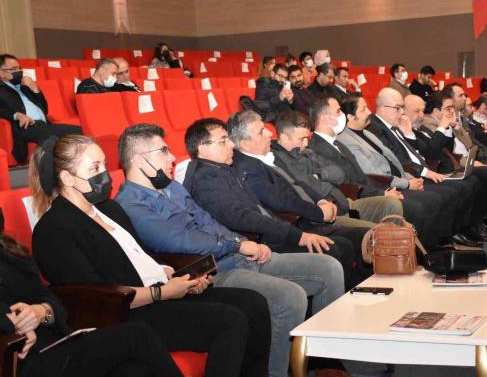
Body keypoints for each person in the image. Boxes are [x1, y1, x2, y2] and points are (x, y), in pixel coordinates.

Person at [30, 135, 272, 377]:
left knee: (254, 304)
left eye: (104, 164)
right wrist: (162, 292)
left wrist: (182, 278)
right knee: (230, 320)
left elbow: (144, 256)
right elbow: (93, 297)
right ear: (67, 178)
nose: (104, 174)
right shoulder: (54, 229)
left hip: (161, 292)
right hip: (129, 312)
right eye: (94, 168)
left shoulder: (108, 209)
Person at [113, 124, 344, 377]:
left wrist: (242, 242)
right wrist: (236, 244)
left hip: (236, 255)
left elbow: (207, 221)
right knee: (290, 297)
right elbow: (177, 240)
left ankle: (326, 363)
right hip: (212, 270)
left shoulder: (173, 188)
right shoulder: (130, 204)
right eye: (163, 151)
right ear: (139, 159)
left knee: (328, 267)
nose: (172, 158)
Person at [182, 117, 356, 290]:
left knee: (340, 247)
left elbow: (259, 209)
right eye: (223, 141)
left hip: (268, 236)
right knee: (332, 256)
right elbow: (241, 217)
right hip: (255, 245)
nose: (231, 145)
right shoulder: (205, 179)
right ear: (202, 148)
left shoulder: (222, 170)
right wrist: (298, 236)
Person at [0, 232, 184, 377]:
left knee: (135, 370)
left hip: (58, 341)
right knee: (138, 334)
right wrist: (17, 326)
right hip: (23, 361)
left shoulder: (9, 251)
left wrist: (41, 311)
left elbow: (49, 298)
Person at [228, 111, 369, 284]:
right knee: (344, 246)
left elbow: (299, 182)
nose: (269, 133)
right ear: (245, 143)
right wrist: (318, 212)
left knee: (366, 238)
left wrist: (321, 201)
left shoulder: (269, 155)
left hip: (313, 215)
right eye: (261, 132)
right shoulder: (246, 168)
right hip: (298, 224)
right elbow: (279, 201)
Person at [367, 88, 487, 243]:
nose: (402, 112)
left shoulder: (396, 125)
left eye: (402, 108)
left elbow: (417, 151)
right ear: (383, 108)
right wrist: (424, 171)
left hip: (423, 169)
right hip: (410, 175)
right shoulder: (376, 128)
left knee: (470, 182)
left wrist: (408, 134)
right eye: (398, 108)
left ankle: (465, 230)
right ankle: (446, 239)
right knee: (452, 191)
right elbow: (400, 158)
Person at [334, 94, 463, 248]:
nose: (369, 112)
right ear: (350, 116)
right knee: (424, 204)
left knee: (439, 197)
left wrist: (410, 178)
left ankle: (434, 245)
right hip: (385, 186)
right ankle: (422, 250)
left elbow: (394, 161)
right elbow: (373, 172)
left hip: (400, 180)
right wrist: (407, 183)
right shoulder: (345, 139)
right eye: (363, 109)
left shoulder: (367, 133)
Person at [275, 109, 401, 224]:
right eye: (301, 139)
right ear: (284, 137)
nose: (306, 143)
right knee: (375, 232)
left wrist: (319, 175)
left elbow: (339, 173)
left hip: (345, 203)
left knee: (392, 204)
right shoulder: (279, 160)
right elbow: (309, 184)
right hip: (328, 213)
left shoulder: (307, 152)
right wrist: (323, 178)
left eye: (307, 138)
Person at [0, 54, 81, 164]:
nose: (18, 71)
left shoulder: (24, 86)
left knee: (75, 132)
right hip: (26, 127)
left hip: (44, 125)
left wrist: (34, 88)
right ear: (1, 72)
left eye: (19, 68)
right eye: (14, 69)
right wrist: (16, 115)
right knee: (63, 135)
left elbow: (45, 109)